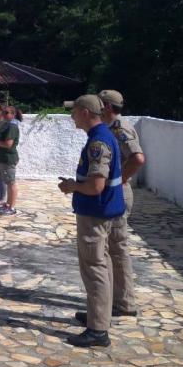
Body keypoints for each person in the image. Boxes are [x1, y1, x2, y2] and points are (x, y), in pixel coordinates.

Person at [58, 95, 126, 348]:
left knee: (94, 269)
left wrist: (72, 186)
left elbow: (96, 186)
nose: (71, 116)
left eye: (74, 111)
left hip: (94, 214)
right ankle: (99, 315)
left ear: (85, 112)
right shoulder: (104, 135)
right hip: (102, 212)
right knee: (102, 265)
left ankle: (98, 330)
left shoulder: (98, 142)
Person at [98, 89, 146, 319]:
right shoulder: (110, 127)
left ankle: (124, 302)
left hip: (118, 193)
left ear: (107, 106)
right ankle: (114, 299)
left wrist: (120, 180)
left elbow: (138, 158)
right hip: (114, 192)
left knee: (117, 250)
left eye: (100, 104)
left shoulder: (119, 129)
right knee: (111, 248)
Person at [0, 106, 22, 215]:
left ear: (13, 114)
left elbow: (8, 144)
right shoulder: (6, 125)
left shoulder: (12, 127)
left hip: (8, 159)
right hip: (3, 158)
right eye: (3, 112)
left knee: (11, 183)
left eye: (6, 112)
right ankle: (8, 204)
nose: (4, 114)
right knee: (8, 183)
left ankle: (12, 207)